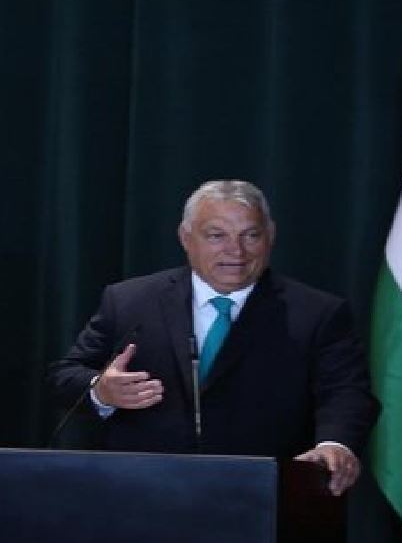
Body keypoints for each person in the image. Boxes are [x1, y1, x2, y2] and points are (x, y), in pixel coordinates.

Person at [47, 180, 376, 496]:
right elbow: (65, 376)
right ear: (186, 237)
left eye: (251, 235)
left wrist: (334, 444)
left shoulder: (317, 313)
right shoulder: (130, 301)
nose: (236, 250)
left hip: (265, 494)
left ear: (271, 236)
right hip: (143, 491)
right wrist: (101, 391)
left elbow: (346, 392)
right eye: (217, 235)